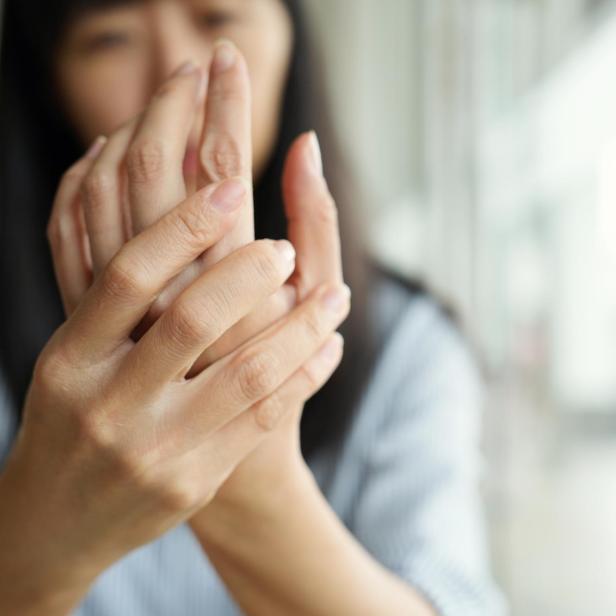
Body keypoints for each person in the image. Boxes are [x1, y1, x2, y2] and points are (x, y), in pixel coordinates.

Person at [0, 1, 506, 614]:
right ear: (50, 84)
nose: (175, 72)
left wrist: (250, 477)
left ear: (291, 42)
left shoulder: (409, 344)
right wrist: (43, 538)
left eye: (218, 19)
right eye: (110, 37)